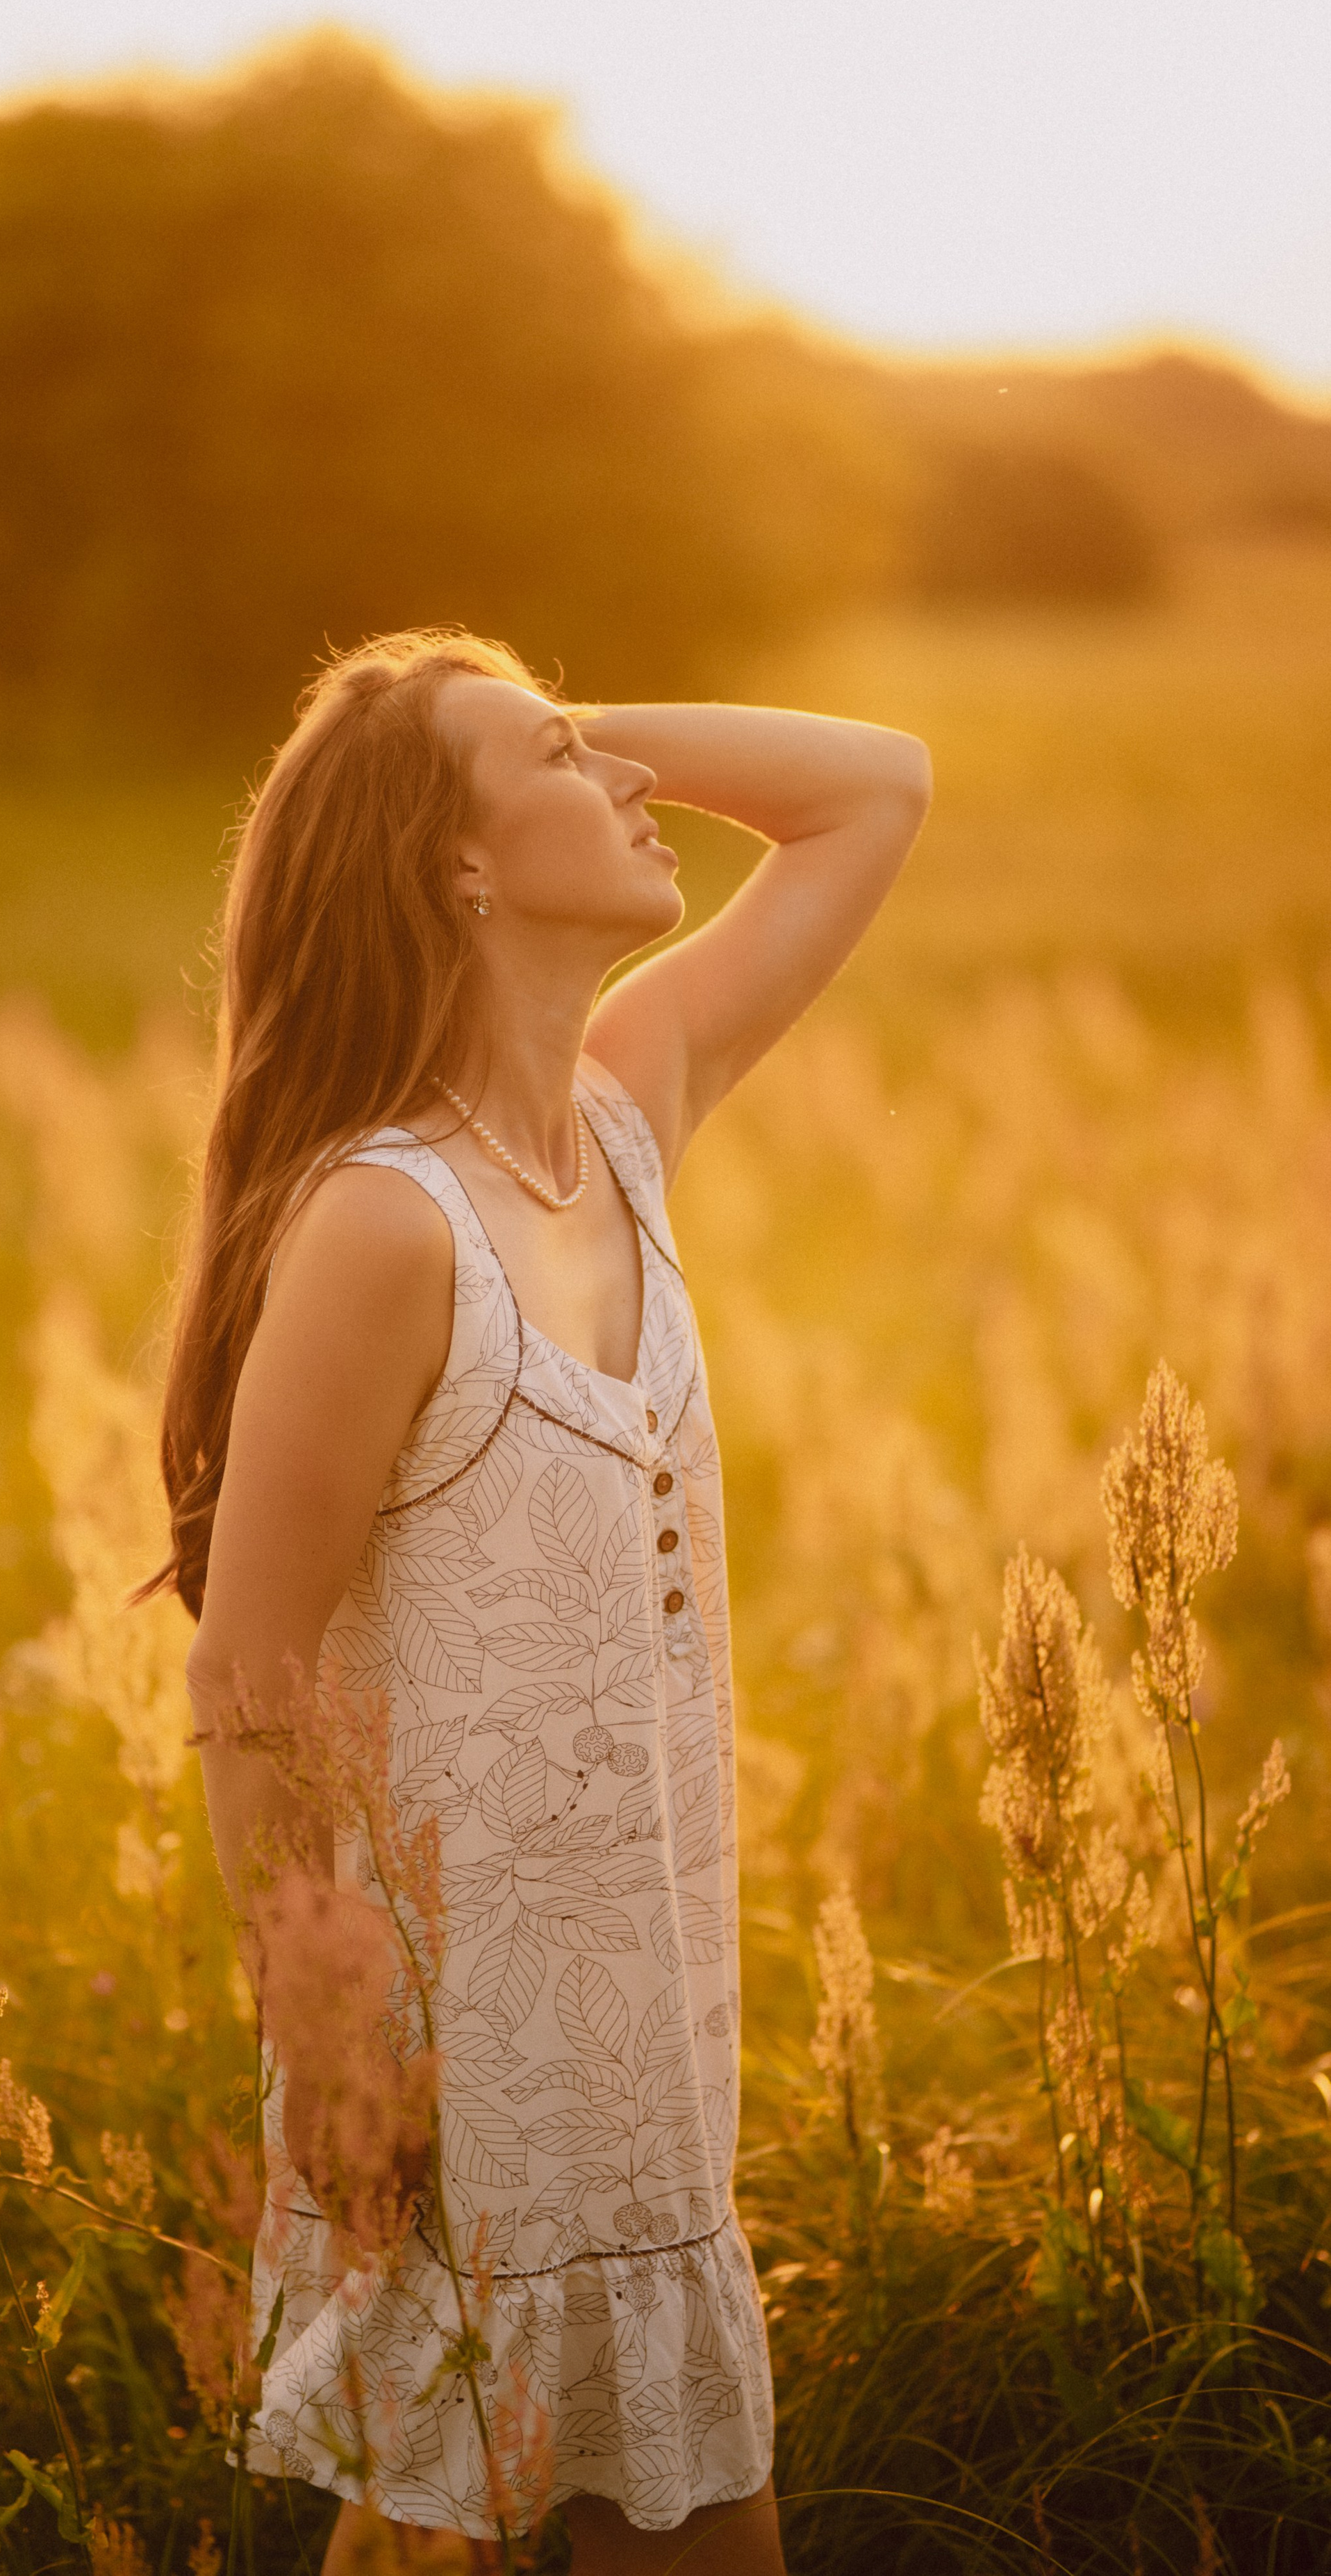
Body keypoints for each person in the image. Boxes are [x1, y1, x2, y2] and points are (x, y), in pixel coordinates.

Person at [157, 629, 931, 2575]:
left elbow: (877, 784)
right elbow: (248, 1689)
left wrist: (566, 733)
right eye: (567, 762)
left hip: (643, 2060)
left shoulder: (626, 1111)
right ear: (457, 868)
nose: (634, 785)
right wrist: (342, 2074)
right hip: (453, 2081)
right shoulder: (379, 1223)